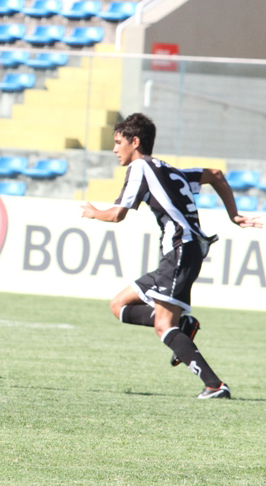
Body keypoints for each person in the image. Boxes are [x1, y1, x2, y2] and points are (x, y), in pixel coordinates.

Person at [81, 113, 261, 399]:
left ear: (135, 141)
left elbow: (117, 215)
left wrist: (93, 213)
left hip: (180, 250)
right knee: (119, 305)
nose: (115, 149)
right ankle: (185, 327)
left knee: (164, 325)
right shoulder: (171, 170)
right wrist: (234, 215)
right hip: (180, 253)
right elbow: (216, 175)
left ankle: (215, 385)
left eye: (118, 142)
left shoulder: (140, 166)